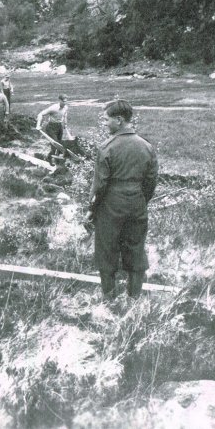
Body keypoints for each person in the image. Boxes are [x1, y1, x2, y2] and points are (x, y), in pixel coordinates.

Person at [84, 100, 158, 301]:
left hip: (110, 204)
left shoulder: (107, 147)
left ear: (119, 120)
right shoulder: (147, 147)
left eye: (106, 120)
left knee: (107, 252)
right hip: (137, 204)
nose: (104, 124)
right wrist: (140, 201)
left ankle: (109, 300)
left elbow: (99, 186)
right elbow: (151, 182)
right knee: (135, 249)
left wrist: (92, 209)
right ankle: (134, 299)